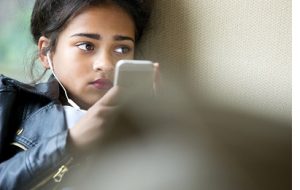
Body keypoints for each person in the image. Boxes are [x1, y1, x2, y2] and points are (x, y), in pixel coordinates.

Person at [0, 0, 156, 189]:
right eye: (86, 46)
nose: (105, 64)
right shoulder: (10, 101)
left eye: (122, 49)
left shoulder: (144, 123)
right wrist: (71, 142)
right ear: (45, 52)